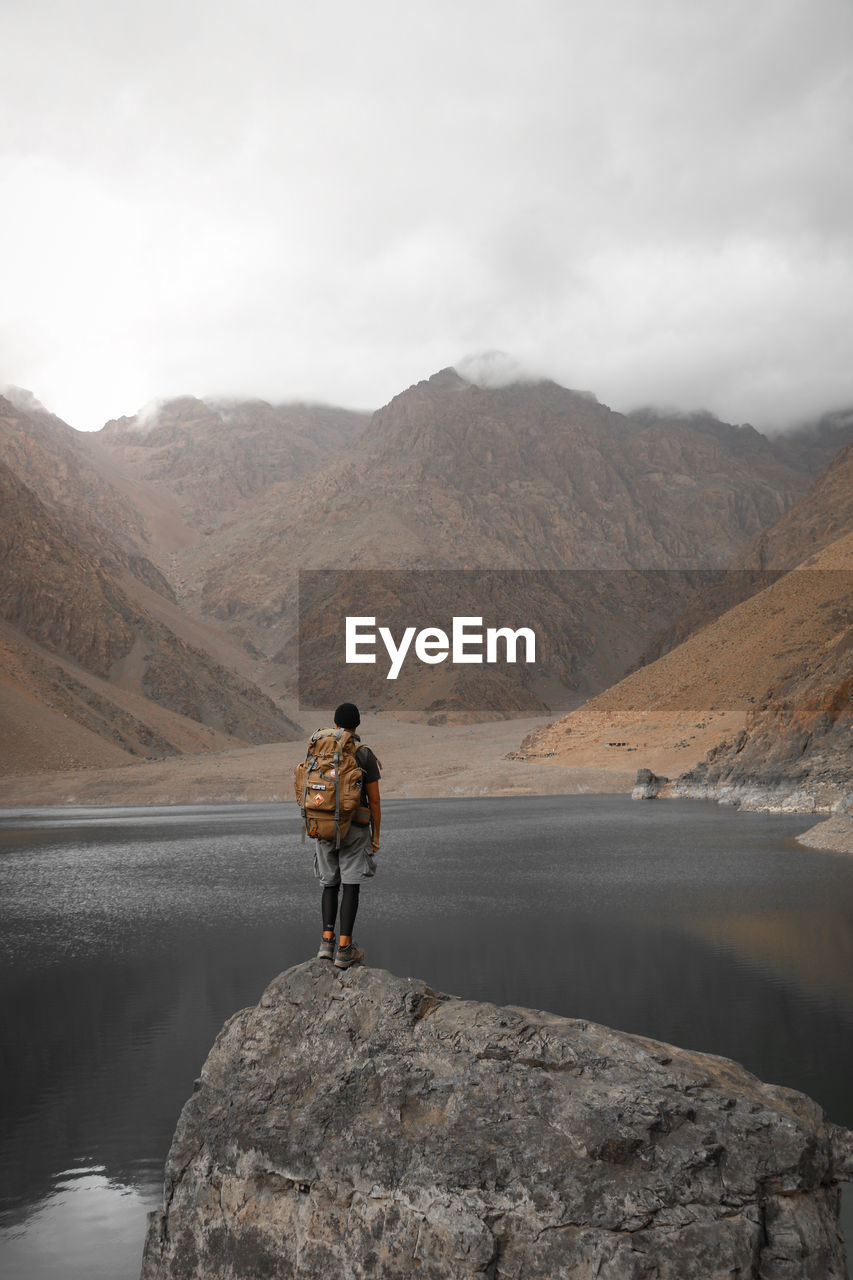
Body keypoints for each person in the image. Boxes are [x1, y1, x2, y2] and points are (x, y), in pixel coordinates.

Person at [314, 702, 381, 969]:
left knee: (329, 884)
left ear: (335, 722)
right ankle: (344, 948)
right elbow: (374, 801)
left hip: (323, 826)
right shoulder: (363, 754)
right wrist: (376, 834)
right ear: (357, 724)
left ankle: (325, 943)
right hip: (354, 828)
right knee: (351, 886)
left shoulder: (320, 749)